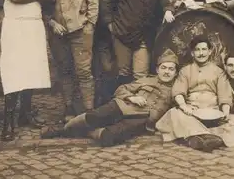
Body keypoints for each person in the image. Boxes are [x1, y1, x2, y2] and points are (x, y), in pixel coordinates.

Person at [41, 49, 179, 147]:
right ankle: (60, 130)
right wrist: (132, 98)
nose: (166, 72)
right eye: (164, 68)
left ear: (176, 72)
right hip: (122, 106)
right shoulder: (146, 80)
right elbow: (121, 89)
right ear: (157, 69)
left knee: (107, 137)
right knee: (93, 117)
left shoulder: (177, 90)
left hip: (141, 120)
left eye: (171, 69)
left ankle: (83, 131)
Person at [0, 0, 55, 141]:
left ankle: (24, 115)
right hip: (16, 27)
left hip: (34, 26)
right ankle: (8, 123)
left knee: (32, 71)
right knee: (14, 73)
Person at [156, 35, 234, 153]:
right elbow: (178, 92)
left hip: (214, 114)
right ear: (192, 53)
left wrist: (226, 112)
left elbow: (225, 95)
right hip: (192, 113)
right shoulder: (185, 71)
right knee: (174, 113)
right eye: (197, 50)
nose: (201, 53)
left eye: (203, 49)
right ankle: (211, 138)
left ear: (209, 51)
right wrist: (184, 106)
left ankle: (198, 137)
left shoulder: (218, 72)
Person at [42, 0, 99, 122]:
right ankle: (68, 108)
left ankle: (89, 111)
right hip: (57, 33)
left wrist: (90, 24)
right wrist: (51, 23)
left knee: (83, 71)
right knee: (64, 70)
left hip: (79, 30)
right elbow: (40, 4)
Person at [101, 0, 175, 89]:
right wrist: (109, 23)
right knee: (123, 72)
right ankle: (123, 103)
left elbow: (165, 1)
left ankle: (138, 107)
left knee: (141, 74)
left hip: (143, 37)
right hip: (122, 34)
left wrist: (168, 10)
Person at [84, 0, 122, 108]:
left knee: (107, 66)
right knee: (88, 67)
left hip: (106, 28)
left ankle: (107, 100)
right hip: (86, 27)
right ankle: (89, 103)